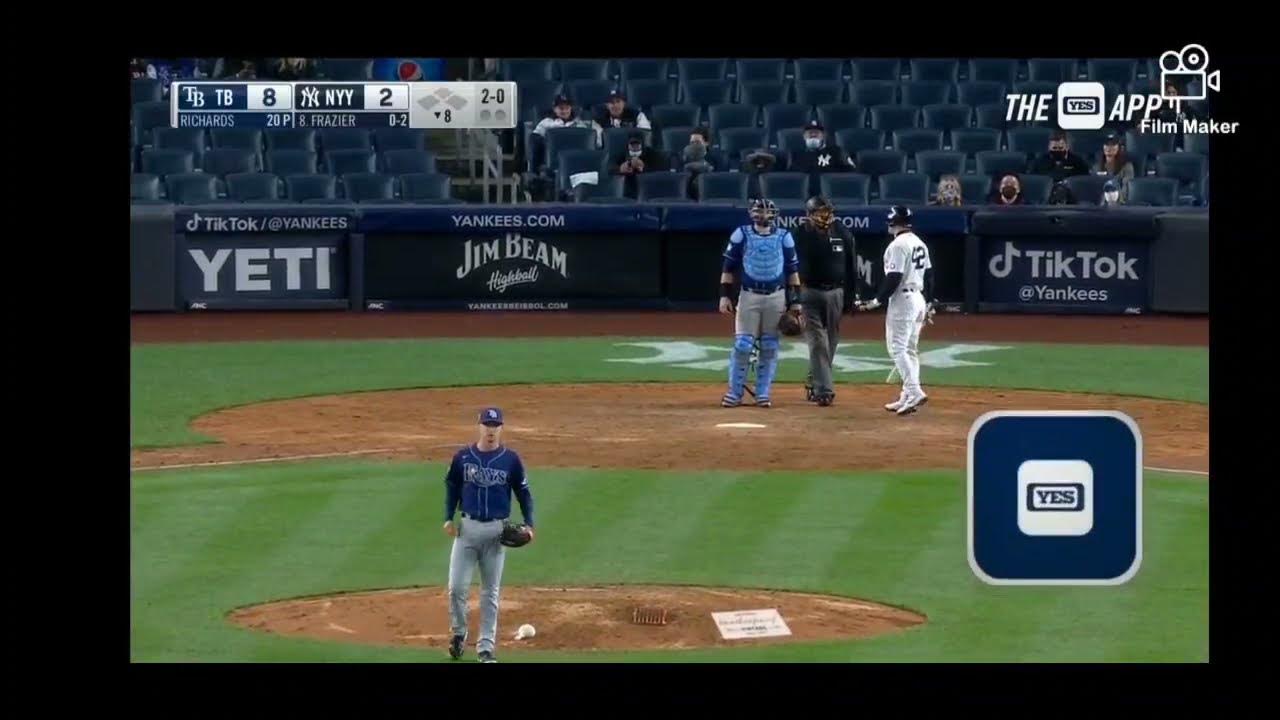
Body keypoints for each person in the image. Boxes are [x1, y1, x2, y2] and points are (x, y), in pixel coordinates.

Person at [443, 407, 536, 664]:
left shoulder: (511, 460)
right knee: (456, 589)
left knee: (490, 593)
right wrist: (448, 517)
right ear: (479, 426)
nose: (491, 430)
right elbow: (451, 487)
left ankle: (486, 649)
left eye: (495, 425)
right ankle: (459, 634)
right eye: (487, 425)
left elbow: (524, 493)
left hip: (497, 531)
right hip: (467, 530)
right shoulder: (463, 457)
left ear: (501, 428)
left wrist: (529, 524)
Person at [718, 199, 803, 408]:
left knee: (769, 345)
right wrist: (724, 295)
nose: (763, 215)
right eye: (759, 211)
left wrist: (796, 302)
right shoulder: (741, 234)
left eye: (767, 212)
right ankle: (735, 392)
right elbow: (728, 268)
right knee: (742, 345)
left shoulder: (785, 237)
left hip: (776, 296)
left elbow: (793, 272)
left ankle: (763, 392)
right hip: (748, 295)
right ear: (752, 213)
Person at [855, 206, 935, 415]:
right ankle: (907, 396)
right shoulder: (919, 243)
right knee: (910, 349)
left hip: (903, 299)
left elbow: (894, 277)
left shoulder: (898, 245)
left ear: (893, 222)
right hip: (918, 297)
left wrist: (877, 300)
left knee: (897, 349)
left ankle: (914, 391)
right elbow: (930, 276)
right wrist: (929, 303)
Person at [795, 196, 857, 406]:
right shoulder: (801, 234)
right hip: (808, 293)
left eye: (827, 211)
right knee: (818, 342)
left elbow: (851, 266)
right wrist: (792, 300)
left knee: (831, 342)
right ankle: (824, 390)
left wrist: (850, 297)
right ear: (809, 214)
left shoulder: (842, 232)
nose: (825, 216)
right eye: (820, 212)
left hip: (836, 293)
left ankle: (815, 380)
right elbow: (791, 267)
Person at [788, 120, 856, 196]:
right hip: (805, 195)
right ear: (804, 136)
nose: (813, 135)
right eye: (810, 133)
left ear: (824, 136)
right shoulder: (796, 155)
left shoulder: (837, 152)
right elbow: (793, 178)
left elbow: (851, 173)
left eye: (817, 133)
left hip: (833, 194)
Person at [610, 131, 667, 199]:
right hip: (627, 190)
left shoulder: (652, 154)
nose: (635, 147)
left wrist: (644, 168)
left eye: (637, 145)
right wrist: (620, 169)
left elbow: (662, 171)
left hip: (648, 190)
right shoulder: (621, 155)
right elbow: (609, 168)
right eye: (632, 145)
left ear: (642, 145)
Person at [1095, 132, 1135, 203]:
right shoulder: (1096, 167)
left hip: (1119, 204)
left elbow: (1127, 189)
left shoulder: (1127, 166)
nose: (1109, 148)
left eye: (1113, 145)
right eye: (1106, 145)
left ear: (1119, 147)